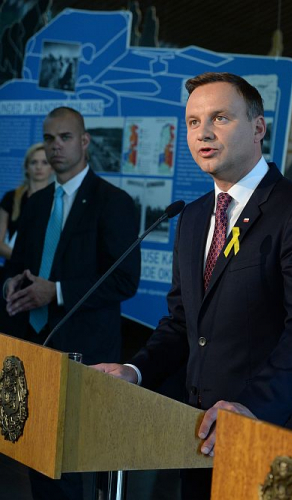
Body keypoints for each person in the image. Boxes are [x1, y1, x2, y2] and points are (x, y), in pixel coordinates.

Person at [93, 72, 292, 500]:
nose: (202, 132)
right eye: (192, 122)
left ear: (258, 127)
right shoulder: (190, 216)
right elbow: (183, 323)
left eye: (220, 118)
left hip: (271, 438)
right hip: (199, 437)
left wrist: (253, 407)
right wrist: (136, 371)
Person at [2, 107, 140, 499]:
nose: (55, 146)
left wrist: (57, 291)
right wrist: (11, 282)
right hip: (32, 347)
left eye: (64, 137)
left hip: (86, 351)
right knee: (37, 460)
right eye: (49, 138)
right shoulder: (36, 202)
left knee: (73, 468)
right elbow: (15, 265)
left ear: (84, 142)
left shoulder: (113, 201)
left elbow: (124, 279)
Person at [0, 143, 54, 260]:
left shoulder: (58, 199)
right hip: (13, 268)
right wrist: (20, 260)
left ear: (52, 168)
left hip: (44, 272)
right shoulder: (11, 197)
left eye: (44, 162)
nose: (39, 167)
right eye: (34, 162)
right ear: (26, 167)